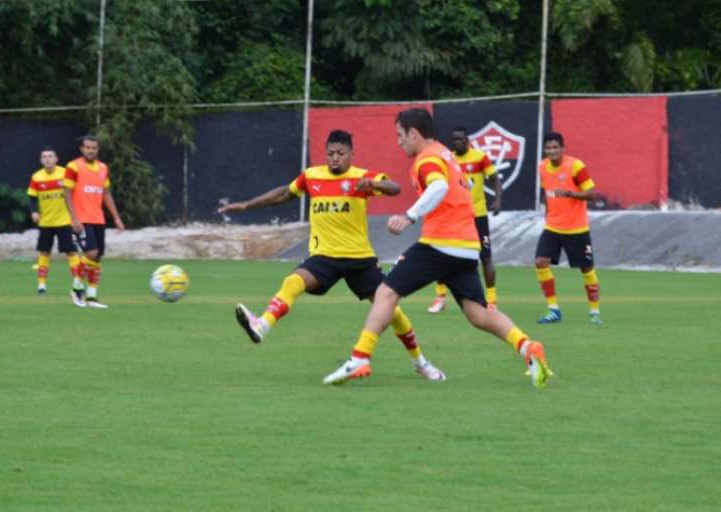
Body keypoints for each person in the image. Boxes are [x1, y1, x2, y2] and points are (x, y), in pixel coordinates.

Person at [322, 109, 552, 388]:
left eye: (400, 136)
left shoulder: (426, 159)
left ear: (413, 133)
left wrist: (409, 215)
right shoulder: (446, 154)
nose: (398, 142)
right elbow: (463, 183)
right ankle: (528, 347)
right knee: (477, 314)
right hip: (466, 246)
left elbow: (439, 187)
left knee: (385, 291)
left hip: (442, 243)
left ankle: (360, 357)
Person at [218, 129, 446, 381]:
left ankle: (421, 362)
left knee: (393, 312)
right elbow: (284, 193)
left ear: (351, 154)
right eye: (330, 154)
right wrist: (247, 205)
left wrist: (375, 184)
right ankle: (262, 325)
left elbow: (395, 188)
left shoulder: (362, 177)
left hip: (360, 260)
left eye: (340, 153)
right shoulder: (312, 176)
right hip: (324, 257)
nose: (335, 158)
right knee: (293, 281)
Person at [428, 125, 502, 313]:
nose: (457, 142)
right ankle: (440, 296)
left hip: (478, 214)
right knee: (442, 253)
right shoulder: (449, 158)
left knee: (486, 256)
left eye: (461, 139)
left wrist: (498, 199)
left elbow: (494, 178)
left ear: (467, 140)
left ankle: (492, 299)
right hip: (455, 215)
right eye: (454, 139)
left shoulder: (479, 157)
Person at [534, 132, 602, 324]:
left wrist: (570, 194)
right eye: (548, 148)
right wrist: (548, 214)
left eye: (556, 147)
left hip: (577, 229)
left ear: (563, 149)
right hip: (553, 227)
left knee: (587, 269)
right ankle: (553, 309)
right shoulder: (542, 167)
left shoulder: (575, 166)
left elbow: (591, 194)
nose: (552, 151)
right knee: (540, 261)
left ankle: (594, 312)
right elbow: (547, 193)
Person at [63, 135, 124, 308]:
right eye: (88, 147)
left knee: (97, 258)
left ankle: (91, 297)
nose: (91, 150)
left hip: (98, 218)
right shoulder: (73, 166)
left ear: (98, 149)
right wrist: (74, 218)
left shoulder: (103, 168)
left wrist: (116, 217)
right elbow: (66, 192)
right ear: (82, 149)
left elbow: (106, 193)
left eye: (94, 148)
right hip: (81, 219)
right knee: (91, 253)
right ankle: (75, 289)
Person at [27, 147, 81, 295]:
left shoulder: (65, 174)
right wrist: (34, 212)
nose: (48, 159)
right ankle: (42, 285)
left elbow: (75, 193)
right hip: (46, 222)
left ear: (56, 159)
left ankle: (78, 283)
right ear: (41, 160)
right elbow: (32, 198)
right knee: (44, 253)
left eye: (50, 156)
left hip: (65, 221)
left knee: (71, 252)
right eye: (44, 157)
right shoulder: (37, 177)